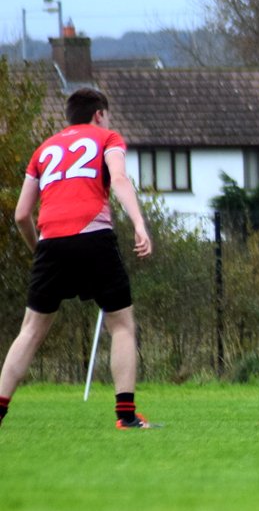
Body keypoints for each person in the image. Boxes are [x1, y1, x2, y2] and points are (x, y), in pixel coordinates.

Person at [3, 87, 154, 430]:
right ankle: (126, 416)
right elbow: (119, 178)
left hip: (51, 242)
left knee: (30, 331)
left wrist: (39, 250)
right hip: (94, 237)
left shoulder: (43, 150)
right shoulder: (108, 138)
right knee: (121, 324)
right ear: (99, 114)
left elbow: (22, 214)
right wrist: (139, 224)